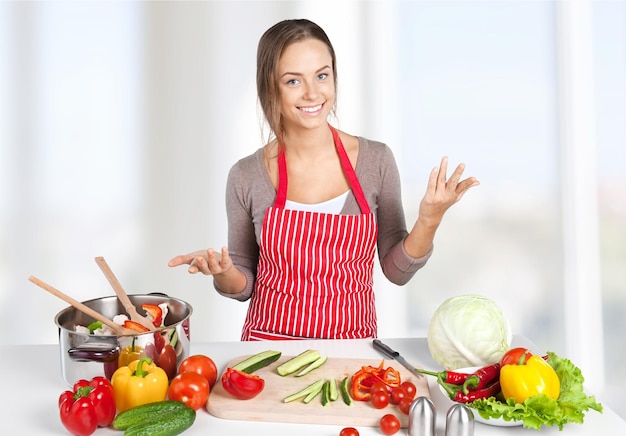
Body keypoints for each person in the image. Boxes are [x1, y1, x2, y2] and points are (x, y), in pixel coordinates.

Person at [168, 18, 479, 341]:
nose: (313, 93)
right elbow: (244, 283)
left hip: (353, 352)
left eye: (321, 75)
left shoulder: (376, 160)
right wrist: (223, 273)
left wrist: (429, 220)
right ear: (269, 86)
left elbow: (395, 271)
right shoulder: (246, 175)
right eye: (293, 81)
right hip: (269, 351)